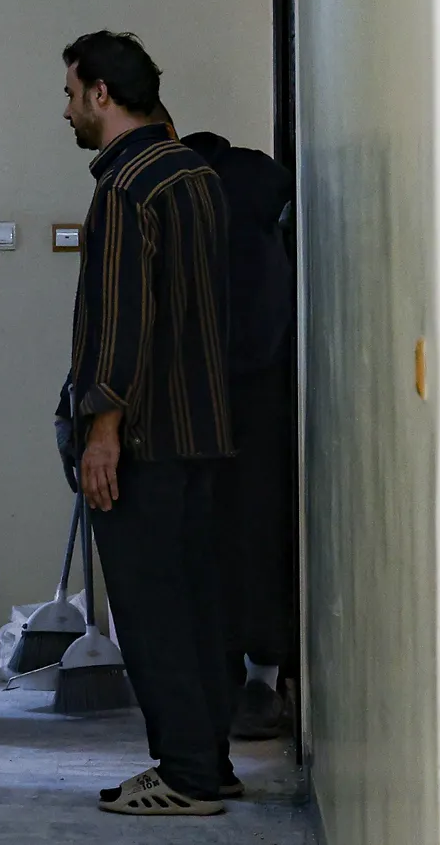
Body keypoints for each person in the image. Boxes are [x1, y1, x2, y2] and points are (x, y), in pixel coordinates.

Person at [58, 32, 237, 817]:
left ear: (102, 93)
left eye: (71, 93)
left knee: (151, 607)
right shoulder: (195, 174)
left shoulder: (126, 187)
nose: (67, 109)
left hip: (143, 438)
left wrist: (103, 432)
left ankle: (187, 775)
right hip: (203, 426)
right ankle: (209, 760)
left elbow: (121, 320)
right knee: (197, 601)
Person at [177, 127, 297, 742]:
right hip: (266, 394)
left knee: (208, 537)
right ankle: (263, 677)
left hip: (200, 398)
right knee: (259, 532)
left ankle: (227, 680)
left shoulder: (187, 204)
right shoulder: (265, 203)